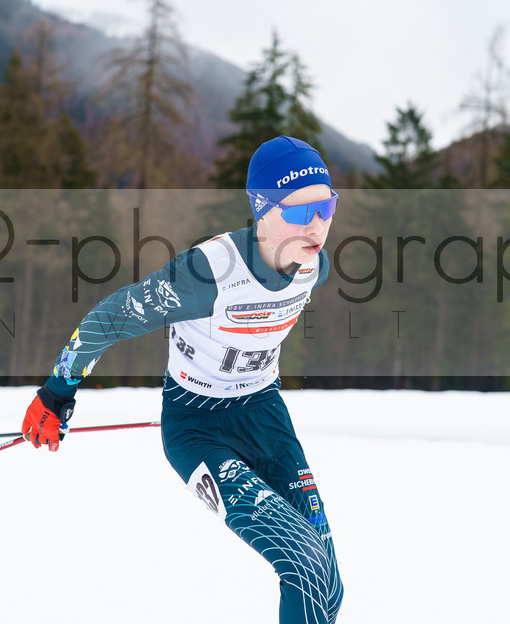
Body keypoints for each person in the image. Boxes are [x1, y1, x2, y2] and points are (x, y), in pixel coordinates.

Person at [21, 136, 344, 623]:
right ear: (263, 210)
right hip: (198, 429)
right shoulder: (208, 273)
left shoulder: (312, 267)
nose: (317, 225)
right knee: (302, 563)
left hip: (265, 416)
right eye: (301, 213)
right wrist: (55, 392)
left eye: (326, 208)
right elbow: (111, 317)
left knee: (330, 585)